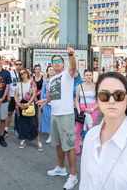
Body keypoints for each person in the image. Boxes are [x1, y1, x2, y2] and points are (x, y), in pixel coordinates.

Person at [37, 44, 78, 190]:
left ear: (63, 63)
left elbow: (73, 66)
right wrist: (46, 100)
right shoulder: (53, 79)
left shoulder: (67, 74)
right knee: (58, 143)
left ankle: (73, 175)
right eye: (53, 62)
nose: (56, 64)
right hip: (55, 114)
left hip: (66, 114)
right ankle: (61, 168)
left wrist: (71, 55)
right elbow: (53, 94)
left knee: (70, 145)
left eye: (58, 61)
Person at [14, 68, 43, 151]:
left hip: (29, 105)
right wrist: (19, 104)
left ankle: (38, 141)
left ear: (27, 73)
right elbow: (15, 95)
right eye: (21, 73)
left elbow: (34, 95)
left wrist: (27, 104)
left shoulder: (32, 82)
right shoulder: (18, 84)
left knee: (33, 124)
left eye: (24, 72)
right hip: (20, 106)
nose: (23, 74)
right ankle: (23, 139)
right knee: (22, 124)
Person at [74, 69, 98, 154]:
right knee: (77, 130)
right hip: (81, 110)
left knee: (90, 130)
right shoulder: (79, 86)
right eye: (87, 75)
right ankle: (76, 149)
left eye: (90, 75)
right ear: (84, 76)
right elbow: (77, 100)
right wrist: (79, 110)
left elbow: (99, 101)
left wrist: (92, 109)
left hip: (92, 110)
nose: (89, 77)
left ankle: (89, 149)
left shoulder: (96, 86)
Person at [5, 60, 23, 137]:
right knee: (9, 112)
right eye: (17, 64)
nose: (18, 66)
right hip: (12, 95)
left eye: (20, 64)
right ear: (15, 65)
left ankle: (18, 128)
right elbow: (7, 85)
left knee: (20, 113)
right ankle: (6, 128)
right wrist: (8, 95)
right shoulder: (10, 73)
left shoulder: (23, 73)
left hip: (20, 96)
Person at [40, 65, 55, 143]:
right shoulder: (45, 81)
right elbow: (43, 92)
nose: (52, 71)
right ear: (47, 72)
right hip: (46, 102)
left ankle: (55, 134)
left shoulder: (57, 80)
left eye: (53, 70)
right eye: (50, 70)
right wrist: (41, 102)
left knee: (54, 118)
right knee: (47, 118)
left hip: (55, 102)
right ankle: (50, 135)